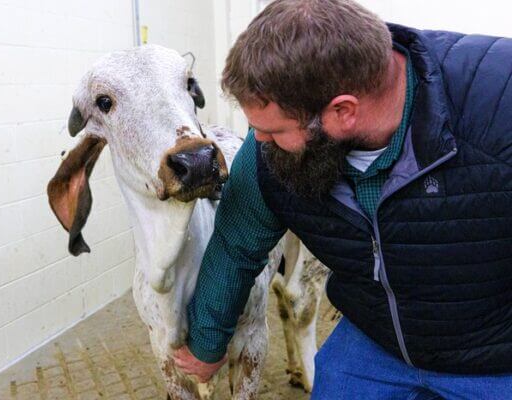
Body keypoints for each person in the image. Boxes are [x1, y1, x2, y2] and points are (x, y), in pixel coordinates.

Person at [173, 0, 512, 398]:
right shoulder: (269, 151)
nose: (259, 141)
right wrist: (207, 346)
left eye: (274, 130)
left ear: (343, 111)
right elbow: (236, 242)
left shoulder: (498, 108)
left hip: (495, 353)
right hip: (377, 339)